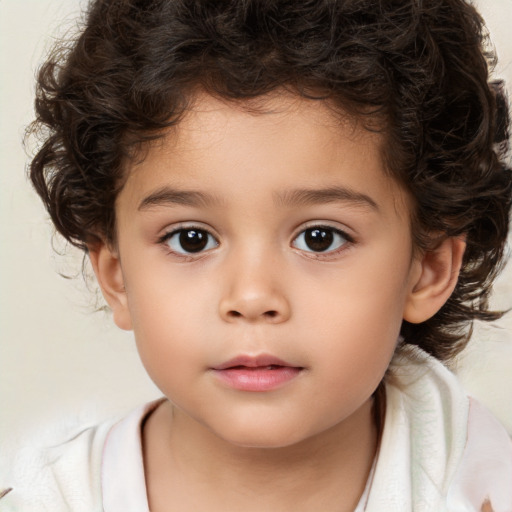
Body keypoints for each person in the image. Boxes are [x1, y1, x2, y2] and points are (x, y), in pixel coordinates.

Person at [3, 0, 512, 510]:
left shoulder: (480, 488)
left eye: (320, 238)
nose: (251, 297)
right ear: (116, 276)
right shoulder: (48, 500)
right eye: (192, 239)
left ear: (427, 269)